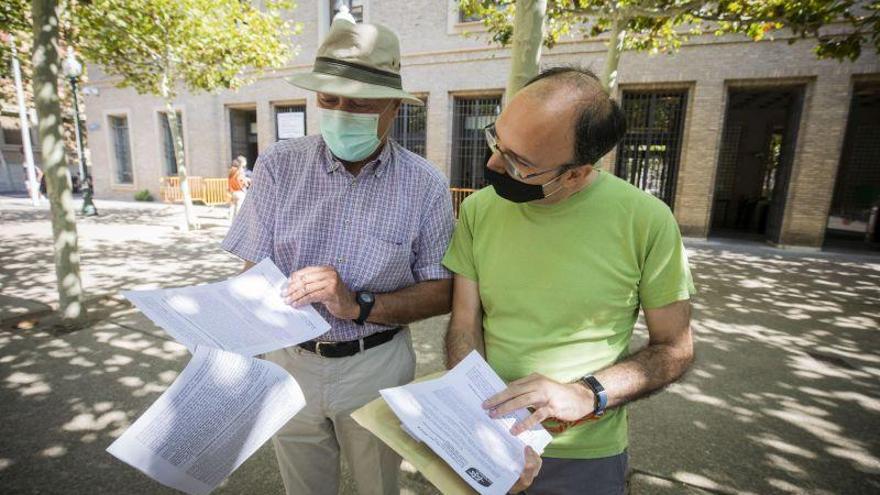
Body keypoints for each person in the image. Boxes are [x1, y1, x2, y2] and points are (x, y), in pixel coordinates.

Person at [221, 16, 454, 495]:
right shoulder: (278, 165)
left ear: (393, 106)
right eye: (329, 100)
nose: (341, 112)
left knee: (379, 486)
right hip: (289, 361)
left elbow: (440, 291)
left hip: (376, 364)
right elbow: (252, 269)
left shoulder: (424, 183)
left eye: (360, 104)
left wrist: (360, 304)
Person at [442, 67, 696, 495]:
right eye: (496, 141)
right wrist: (480, 417)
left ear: (577, 173)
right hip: (488, 438)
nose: (492, 164)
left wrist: (587, 393)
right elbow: (464, 325)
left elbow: (675, 348)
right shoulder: (477, 211)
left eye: (519, 162)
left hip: (586, 457)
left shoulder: (647, 222)